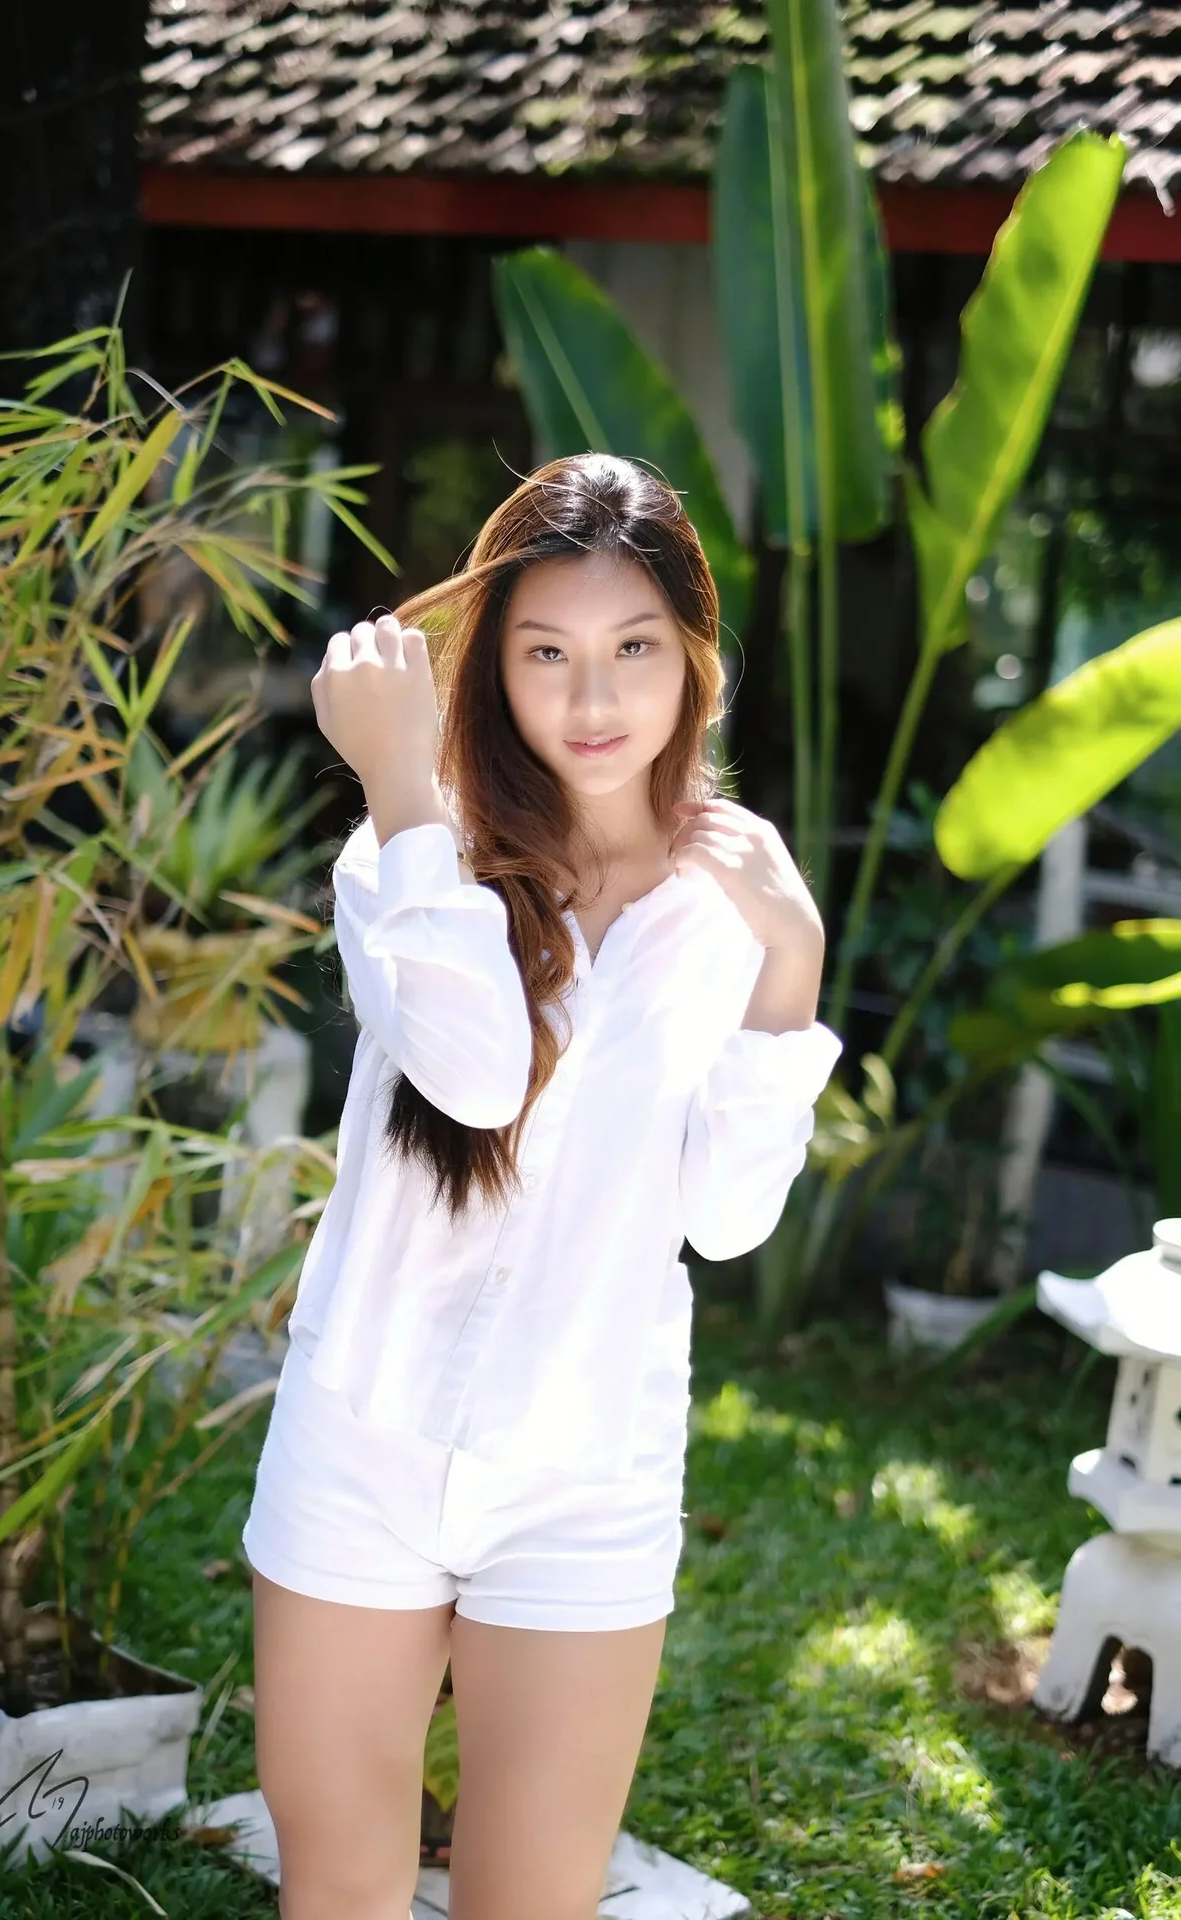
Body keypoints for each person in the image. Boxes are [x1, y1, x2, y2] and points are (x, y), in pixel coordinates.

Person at [241, 452, 844, 1920]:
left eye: (635, 649)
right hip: (361, 1441)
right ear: (492, 666)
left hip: (587, 1474)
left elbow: (728, 1220)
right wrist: (399, 783)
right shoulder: (409, 850)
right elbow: (471, 1078)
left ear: (694, 660)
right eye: (547, 654)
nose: (593, 701)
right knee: (341, 1888)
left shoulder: (735, 899)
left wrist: (794, 966)